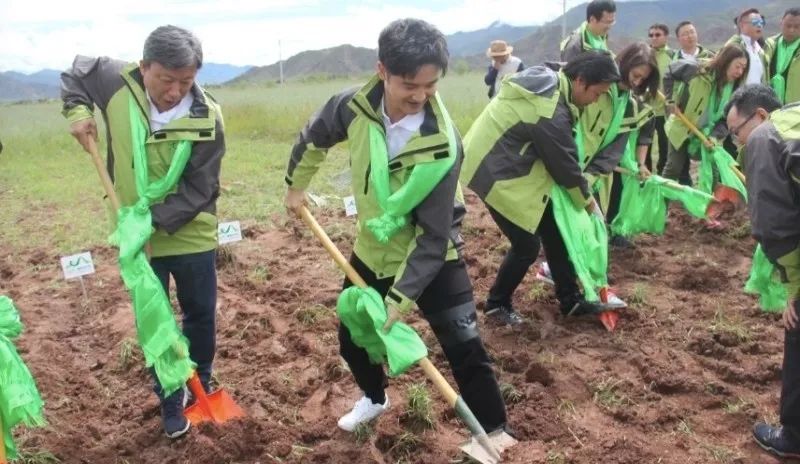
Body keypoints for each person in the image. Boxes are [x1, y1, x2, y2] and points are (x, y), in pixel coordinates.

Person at [283, 18, 508, 435]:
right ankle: (374, 396)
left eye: (431, 86)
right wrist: (296, 188)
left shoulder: (443, 143)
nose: (420, 96)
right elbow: (314, 137)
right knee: (354, 336)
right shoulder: (353, 106)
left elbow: (434, 234)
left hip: (434, 254)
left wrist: (399, 300)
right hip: (373, 247)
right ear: (382, 70)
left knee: (464, 344)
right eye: (409, 85)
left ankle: (494, 431)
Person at [61, 25, 225, 438]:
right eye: (165, 80)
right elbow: (77, 72)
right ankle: (170, 396)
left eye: (185, 82)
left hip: (190, 233)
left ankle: (200, 382)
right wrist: (78, 110)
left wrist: (150, 220)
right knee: (154, 319)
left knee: (200, 314)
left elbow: (202, 188)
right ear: (144, 66)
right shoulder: (115, 83)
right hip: (138, 239)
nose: (174, 91)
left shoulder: (208, 116)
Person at [460, 51, 620, 325]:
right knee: (526, 244)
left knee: (555, 229)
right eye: (597, 93)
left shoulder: (556, 82)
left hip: (510, 159)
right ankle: (497, 305)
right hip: (494, 169)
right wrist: (590, 205)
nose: (596, 101)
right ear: (580, 81)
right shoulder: (549, 110)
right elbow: (565, 169)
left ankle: (569, 300)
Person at [724, 84, 800, 460]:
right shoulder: (795, 117)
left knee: (798, 327)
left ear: (760, 116)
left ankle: (794, 436)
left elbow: (776, 228)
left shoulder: (764, 139)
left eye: (736, 131)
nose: (736, 142)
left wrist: (794, 287)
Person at [590, 43, 659, 249]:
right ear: (624, 64)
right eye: (635, 75)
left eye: (642, 80)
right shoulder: (600, 91)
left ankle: (610, 233)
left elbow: (644, 132)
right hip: (586, 159)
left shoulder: (630, 102)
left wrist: (640, 163)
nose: (636, 82)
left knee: (614, 194)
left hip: (610, 161)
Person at [662, 44, 749, 186]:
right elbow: (669, 72)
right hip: (682, 125)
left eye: (743, 68)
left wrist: (714, 136)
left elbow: (725, 119)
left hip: (706, 132)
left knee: (713, 169)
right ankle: (659, 202)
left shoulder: (734, 88)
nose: (740, 72)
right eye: (737, 66)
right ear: (725, 61)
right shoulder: (697, 69)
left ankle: (714, 204)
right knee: (674, 168)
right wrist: (670, 100)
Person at [645, 23, 675, 176]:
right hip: (646, 110)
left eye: (657, 35)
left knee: (665, 147)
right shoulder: (645, 55)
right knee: (645, 146)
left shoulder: (673, 56)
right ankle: (646, 178)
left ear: (666, 36)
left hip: (665, 111)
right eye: (651, 35)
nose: (654, 38)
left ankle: (663, 177)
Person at [726, 8, 769, 85]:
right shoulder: (733, 46)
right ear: (742, 26)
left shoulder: (761, 51)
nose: (759, 25)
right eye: (755, 22)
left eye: (761, 22)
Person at [766, 8, 800, 104]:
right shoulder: (769, 45)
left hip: (795, 109)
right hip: (769, 106)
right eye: (788, 26)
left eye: (797, 27)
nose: (791, 30)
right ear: (781, 24)